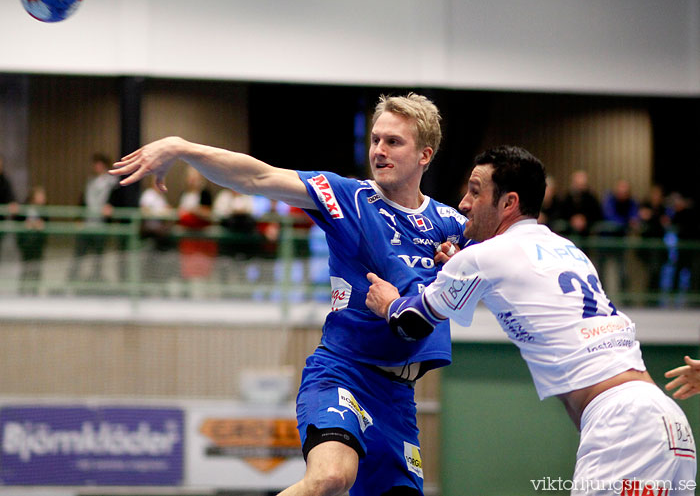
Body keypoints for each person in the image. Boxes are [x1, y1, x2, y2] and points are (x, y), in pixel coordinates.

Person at [110, 93, 469, 496]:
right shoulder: (348, 198)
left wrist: (461, 263)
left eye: (393, 142)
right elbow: (257, 177)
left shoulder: (451, 226)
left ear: (425, 154)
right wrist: (182, 148)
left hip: (399, 398)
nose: (379, 151)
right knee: (331, 476)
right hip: (344, 373)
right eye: (375, 140)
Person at [365, 146, 696, 495]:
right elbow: (507, 280)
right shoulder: (568, 250)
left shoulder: (484, 257)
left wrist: (388, 303)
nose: (463, 203)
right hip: (668, 421)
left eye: (475, 192)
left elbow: (411, 321)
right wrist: (463, 267)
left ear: (508, 203)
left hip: (622, 425)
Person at [68, 153, 118, 282]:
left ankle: (96, 280)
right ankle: (72, 280)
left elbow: (116, 201)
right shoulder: (90, 182)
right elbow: (82, 201)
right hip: (87, 224)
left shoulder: (112, 183)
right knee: (79, 254)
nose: (96, 166)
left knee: (98, 256)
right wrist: (79, 218)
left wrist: (111, 208)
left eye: (99, 163)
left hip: (101, 225)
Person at [560, 169, 602, 237]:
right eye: (577, 184)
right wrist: (572, 219)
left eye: (582, 184)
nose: (580, 187)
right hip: (569, 232)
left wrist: (585, 219)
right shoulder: (566, 198)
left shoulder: (592, 198)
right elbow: (562, 213)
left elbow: (596, 214)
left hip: (588, 233)